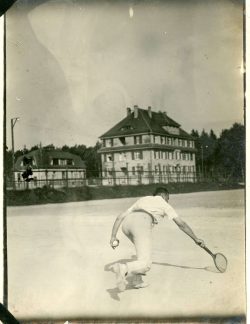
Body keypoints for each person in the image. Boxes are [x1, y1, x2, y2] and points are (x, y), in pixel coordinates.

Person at [109, 187, 205, 291]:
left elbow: (120, 217)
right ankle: (123, 268)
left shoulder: (143, 199)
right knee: (146, 263)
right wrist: (196, 238)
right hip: (141, 222)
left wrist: (113, 237)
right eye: (168, 198)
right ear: (163, 196)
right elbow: (181, 224)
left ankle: (137, 281)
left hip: (126, 225)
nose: (167, 201)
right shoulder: (163, 203)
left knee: (142, 254)